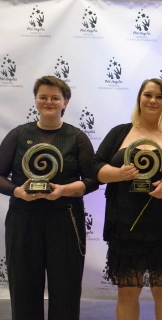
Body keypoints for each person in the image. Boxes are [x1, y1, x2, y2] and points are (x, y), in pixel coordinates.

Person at [92, 78, 162, 320]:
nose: (153, 100)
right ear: (139, 98)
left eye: (160, 96)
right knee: (127, 293)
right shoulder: (120, 132)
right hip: (126, 226)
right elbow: (95, 168)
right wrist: (118, 173)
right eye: (148, 95)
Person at [0, 76, 99, 319]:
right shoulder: (18, 134)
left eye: (55, 98)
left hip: (66, 219)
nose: (49, 102)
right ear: (35, 100)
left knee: (66, 289)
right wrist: (18, 191)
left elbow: (93, 180)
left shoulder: (77, 136)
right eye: (43, 97)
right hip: (23, 219)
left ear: (65, 102)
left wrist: (63, 190)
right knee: (23, 288)